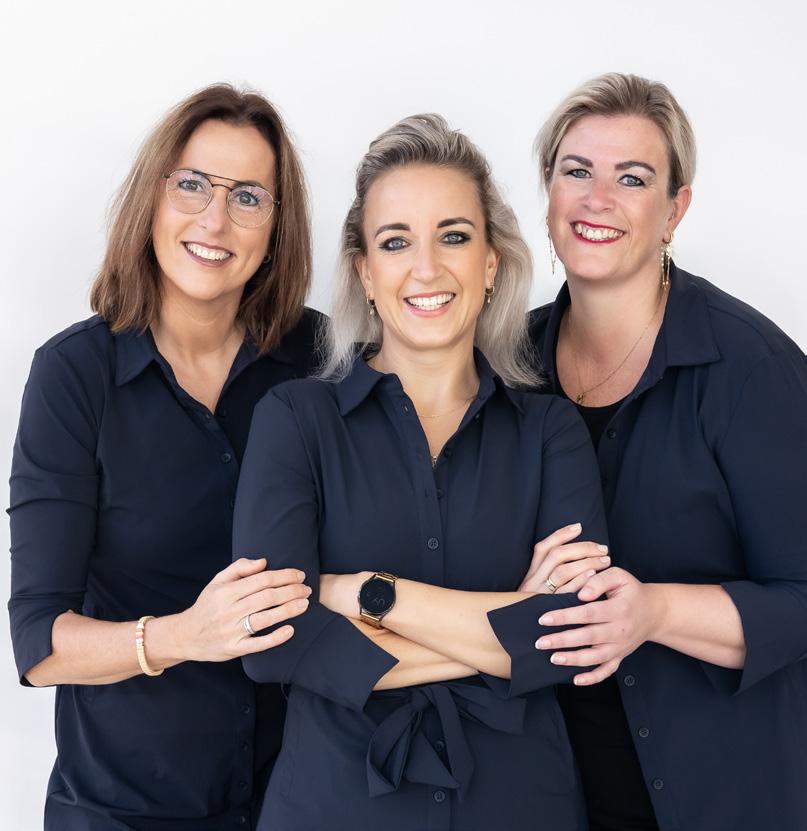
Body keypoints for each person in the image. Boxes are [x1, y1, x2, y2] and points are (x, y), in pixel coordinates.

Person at [233, 113, 613, 831]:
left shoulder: (550, 432)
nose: (427, 267)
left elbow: (568, 640)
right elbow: (271, 643)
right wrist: (505, 632)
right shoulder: (295, 420)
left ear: (491, 263)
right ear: (365, 273)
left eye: (454, 236)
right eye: (395, 241)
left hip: (518, 808)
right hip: (336, 810)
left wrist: (362, 594)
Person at [8, 84, 321, 830]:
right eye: (192, 185)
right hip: (121, 809)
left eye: (248, 197)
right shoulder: (75, 375)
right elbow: (39, 643)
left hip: (294, 801)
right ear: (153, 195)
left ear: (276, 228)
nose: (215, 219)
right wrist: (186, 636)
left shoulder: (319, 361)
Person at [527, 72, 807, 831]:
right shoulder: (508, 364)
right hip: (551, 790)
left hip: (719, 793)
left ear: (674, 208)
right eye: (576, 171)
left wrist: (653, 611)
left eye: (632, 178)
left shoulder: (749, 367)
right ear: (547, 190)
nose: (597, 199)